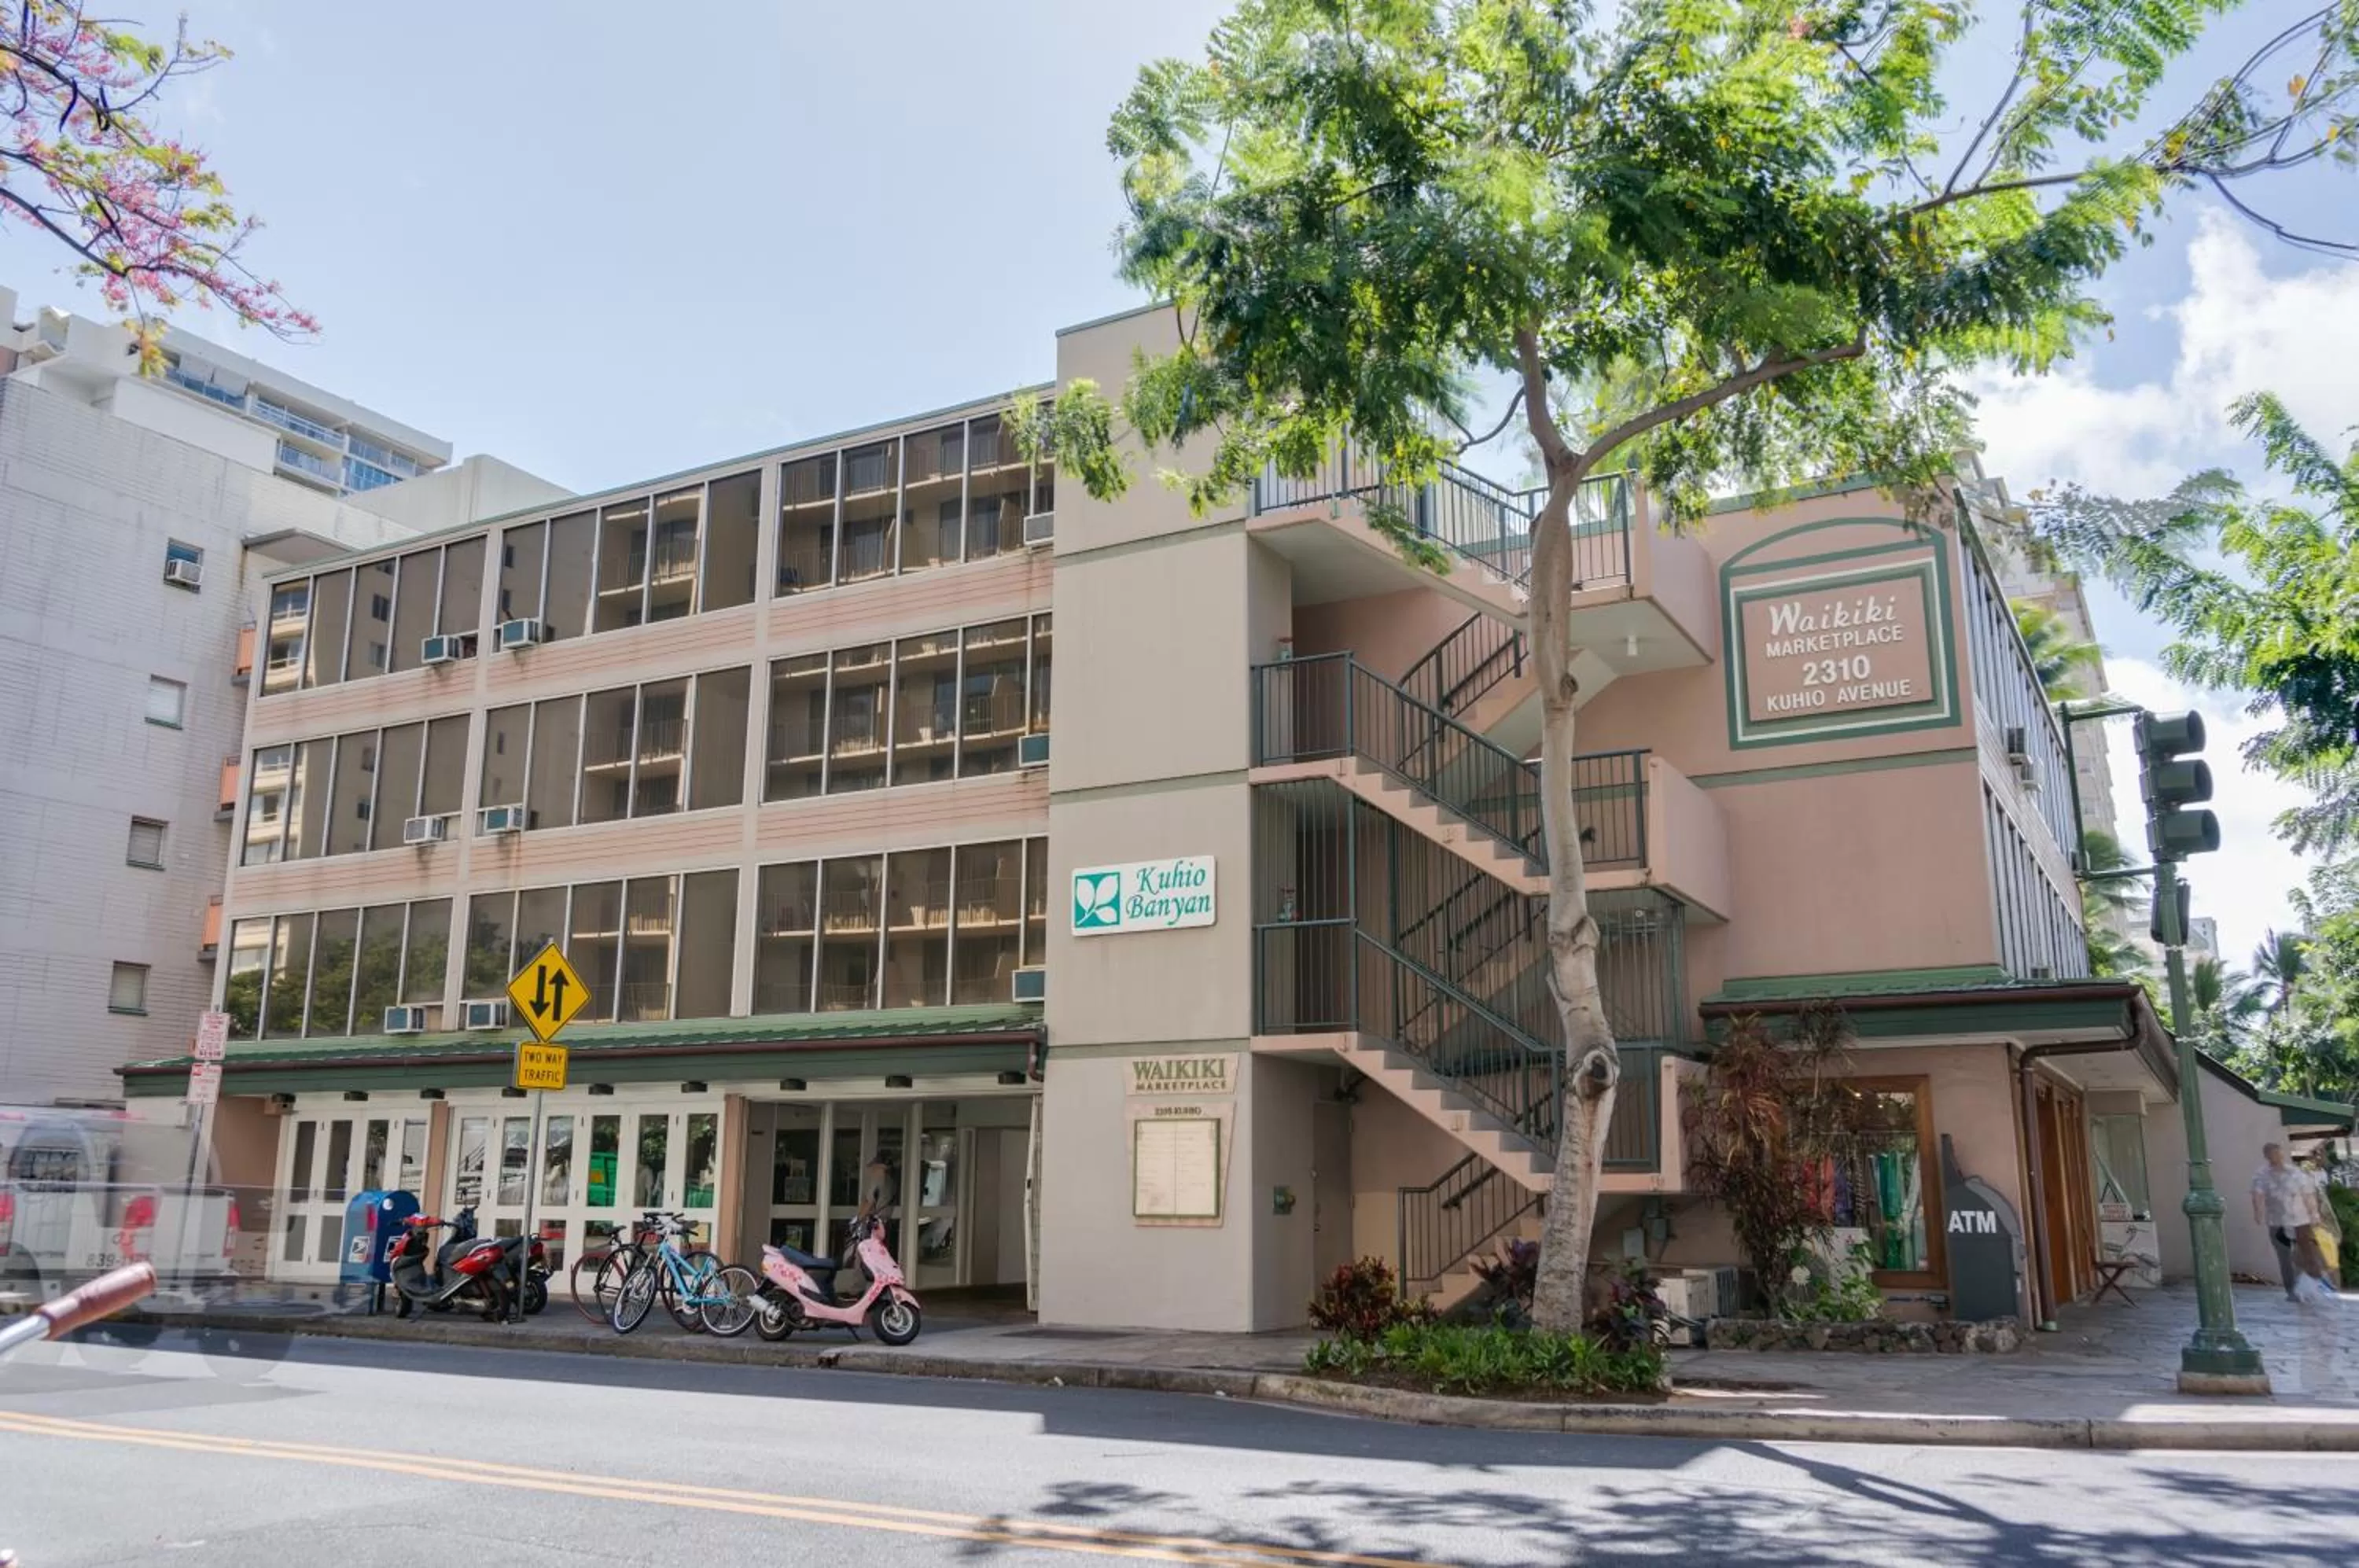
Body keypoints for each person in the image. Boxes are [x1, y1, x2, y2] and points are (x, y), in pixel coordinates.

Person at [2250, 1142, 2336, 1303]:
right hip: (2277, 1222)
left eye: (2277, 1153)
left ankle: (2310, 1287)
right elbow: (2257, 1195)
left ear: (2282, 1154)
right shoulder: (2261, 1175)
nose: (2275, 1157)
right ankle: (2292, 1290)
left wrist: (2314, 1214)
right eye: (2271, 1154)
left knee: (2305, 1254)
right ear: (2266, 1156)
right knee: (2284, 1257)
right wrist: (2258, 1213)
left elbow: (2308, 1195)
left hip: (2300, 1221)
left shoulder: (2295, 1173)